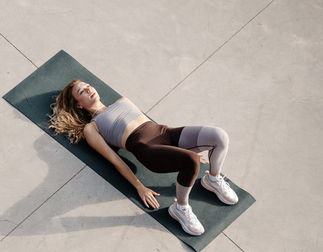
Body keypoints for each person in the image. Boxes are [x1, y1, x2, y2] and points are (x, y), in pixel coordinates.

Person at [49, 79, 238, 236]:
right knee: (191, 161)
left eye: (88, 85)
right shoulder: (92, 128)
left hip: (165, 132)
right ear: (78, 104)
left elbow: (146, 123)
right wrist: (139, 186)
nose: (89, 89)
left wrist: (183, 150)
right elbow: (115, 160)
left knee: (219, 136)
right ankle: (180, 208)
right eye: (82, 91)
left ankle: (212, 179)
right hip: (146, 149)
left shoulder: (122, 100)